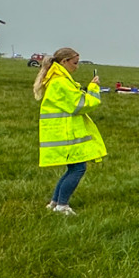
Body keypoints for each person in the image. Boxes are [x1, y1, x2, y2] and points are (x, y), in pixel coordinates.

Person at [34, 47, 105, 215]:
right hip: (66, 133)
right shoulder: (60, 82)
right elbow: (81, 105)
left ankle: (55, 203)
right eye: (75, 63)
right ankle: (62, 206)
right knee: (78, 169)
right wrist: (93, 88)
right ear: (64, 62)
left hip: (63, 131)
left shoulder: (58, 79)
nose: (77, 67)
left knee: (73, 168)